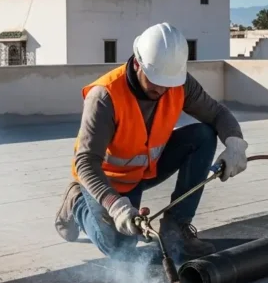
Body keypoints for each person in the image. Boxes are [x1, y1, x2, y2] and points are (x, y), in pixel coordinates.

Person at [54, 22, 249, 265]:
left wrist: (235, 144)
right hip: (107, 180)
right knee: (120, 247)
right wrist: (115, 205)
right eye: (155, 81)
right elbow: (85, 162)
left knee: (203, 135)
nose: (162, 89)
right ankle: (77, 204)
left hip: (146, 169)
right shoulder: (105, 96)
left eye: (169, 83)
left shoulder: (178, 84)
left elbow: (217, 114)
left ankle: (176, 229)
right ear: (137, 63)